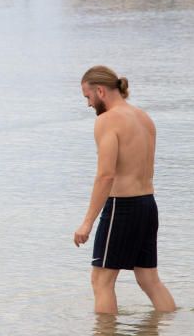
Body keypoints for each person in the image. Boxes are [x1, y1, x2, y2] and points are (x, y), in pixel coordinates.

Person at [75, 66, 176, 314]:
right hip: (147, 205)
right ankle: (166, 334)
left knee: (101, 281)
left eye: (88, 97)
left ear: (100, 91)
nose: (88, 104)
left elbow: (106, 174)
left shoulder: (107, 121)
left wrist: (87, 222)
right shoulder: (144, 118)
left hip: (123, 207)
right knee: (149, 279)